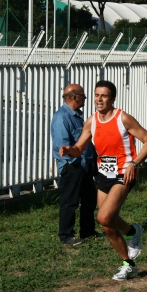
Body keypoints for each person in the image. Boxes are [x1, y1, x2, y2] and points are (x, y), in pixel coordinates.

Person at [59, 80, 147, 281]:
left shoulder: (123, 119)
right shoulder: (91, 121)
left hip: (124, 173)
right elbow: (79, 149)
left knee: (103, 217)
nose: (99, 99)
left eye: (104, 96)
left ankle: (132, 231)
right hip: (104, 174)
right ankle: (128, 264)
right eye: (96, 95)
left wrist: (135, 163)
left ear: (112, 99)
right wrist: (69, 150)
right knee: (107, 225)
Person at [51, 84, 99, 246]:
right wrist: (75, 165)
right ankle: (66, 235)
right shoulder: (62, 118)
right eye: (83, 96)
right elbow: (63, 146)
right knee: (70, 201)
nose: (85, 100)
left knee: (89, 199)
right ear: (74, 97)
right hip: (72, 166)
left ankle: (88, 230)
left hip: (84, 165)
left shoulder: (76, 115)